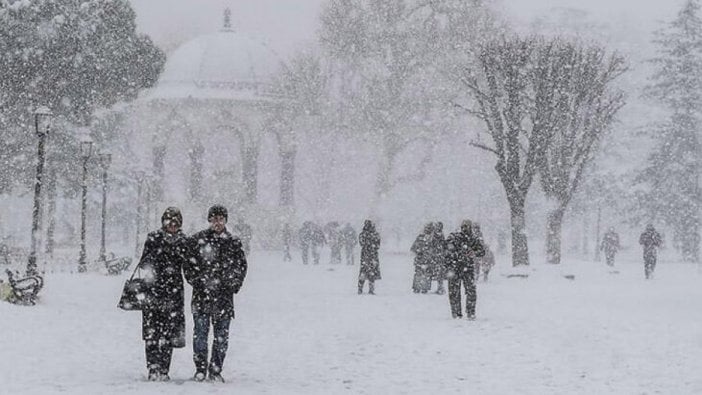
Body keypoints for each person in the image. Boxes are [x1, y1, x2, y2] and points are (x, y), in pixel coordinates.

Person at [184, 205, 248, 382]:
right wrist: (198, 282)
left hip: (224, 298)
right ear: (209, 220)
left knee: (221, 338)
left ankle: (215, 370)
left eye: (220, 219)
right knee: (200, 336)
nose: (217, 222)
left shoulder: (233, 242)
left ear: (225, 220)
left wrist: (233, 284)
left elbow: (241, 266)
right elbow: (188, 265)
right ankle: (200, 369)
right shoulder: (198, 240)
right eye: (214, 219)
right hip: (202, 296)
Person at [137, 207, 189, 381]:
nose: (172, 225)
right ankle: (152, 368)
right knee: (152, 332)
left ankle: (164, 369)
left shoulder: (184, 241)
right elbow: (144, 263)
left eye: (175, 222)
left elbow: (189, 267)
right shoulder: (153, 238)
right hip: (153, 290)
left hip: (173, 292)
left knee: (168, 333)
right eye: (169, 221)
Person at [446, 219, 485, 320]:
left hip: (466, 268)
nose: (465, 228)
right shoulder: (455, 237)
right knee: (455, 292)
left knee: (470, 291)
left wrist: (473, 252)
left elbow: (481, 251)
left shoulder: (473, 239)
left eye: (466, 226)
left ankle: (470, 312)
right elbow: (447, 248)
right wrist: (455, 253)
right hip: (455, 268)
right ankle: (456, 313)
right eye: (463, 226)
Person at [358, 220, 381, 294]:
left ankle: (360, 289)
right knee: (372, 272)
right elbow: (378, 245)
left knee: (363, 272)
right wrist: (372, 246)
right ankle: (371, 290)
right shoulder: (375, 234)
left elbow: (361, 243)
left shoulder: (362, 234)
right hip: (373, 255)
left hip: (365, 255)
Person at [410, 223, 433, 293]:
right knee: (421, 274)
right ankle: (420, 288)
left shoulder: (430, 238)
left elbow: (413, 248)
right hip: (424, 259)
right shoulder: (424, 238)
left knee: (421, 274)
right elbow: (413, 248)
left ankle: (420, 288)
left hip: (424, 259)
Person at [429, 221, 448, 294]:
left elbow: (433, 245)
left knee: (439, 273)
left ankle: (440, 288)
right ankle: (440, 288)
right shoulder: (440, 234)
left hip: (438, 256)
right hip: (439, 256)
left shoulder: (436, 235)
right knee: (439, 273)